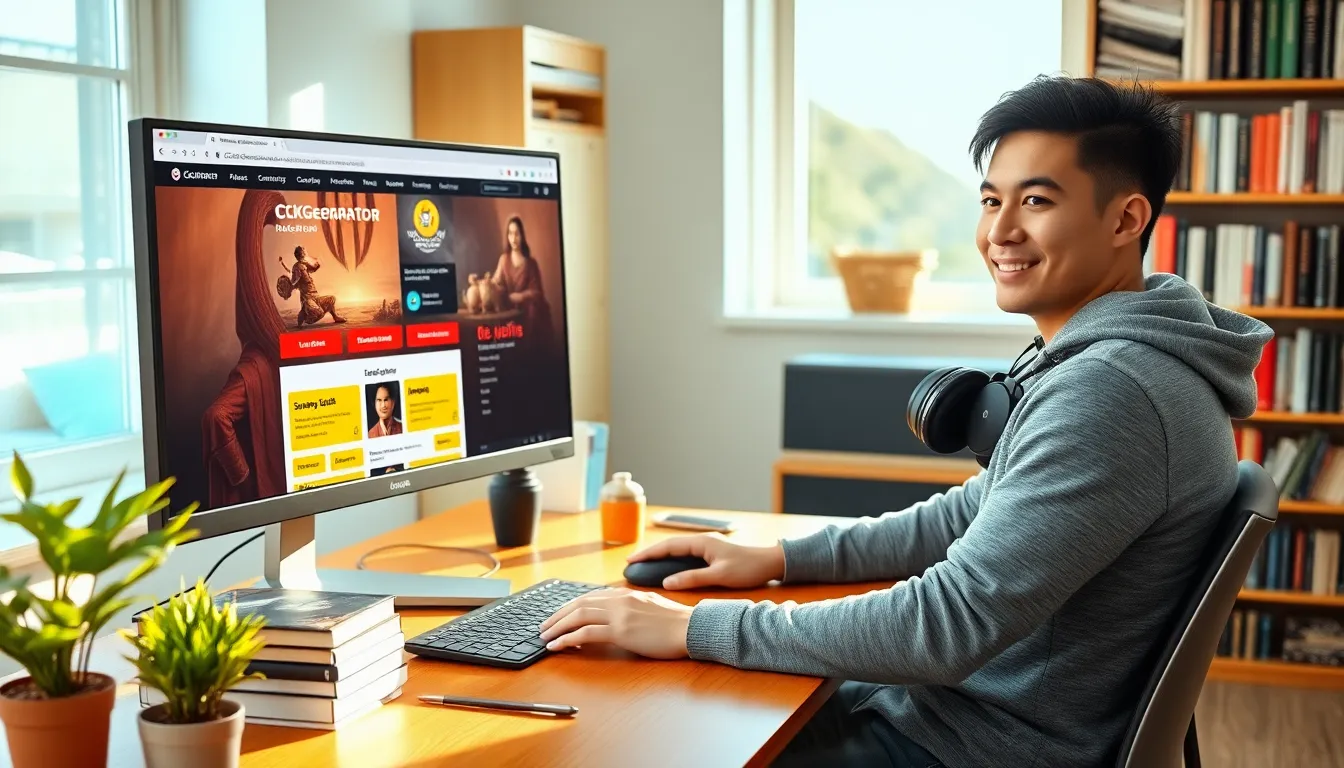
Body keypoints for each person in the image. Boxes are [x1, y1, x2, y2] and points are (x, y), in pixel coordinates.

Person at [537, 76, 1275, 767]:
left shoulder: (1111, 392)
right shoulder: (1121, 361)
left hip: (973, 744)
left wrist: (690, 629)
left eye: (1037, 202)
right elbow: (974, 514)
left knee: (629, 738)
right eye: (991, 201)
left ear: (1126, 218)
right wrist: (781, 560)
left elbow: (949, 623)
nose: (1001, 233)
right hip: (969, 717)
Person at [491, 215, 555, 345]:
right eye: (510, 234)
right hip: (509, 309)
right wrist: (489, 286)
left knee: (533, 314)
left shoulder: (531, 263)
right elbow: (495, 282)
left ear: (522, 236)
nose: (513, 238)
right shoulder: (504, 260)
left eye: (516, 234)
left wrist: (520, 296)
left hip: (527, 312)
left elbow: (537, 292)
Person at [279, 245, 346, 326]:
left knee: (331, 299)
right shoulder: (296, 267)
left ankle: (335, 317)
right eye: (304, 251)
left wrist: (317, 263)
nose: (305, 252)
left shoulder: (304, 264)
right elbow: (293, 280)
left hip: (315, 296)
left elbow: (314, 268)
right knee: (319, 313)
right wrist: (293, 284)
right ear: (301, 253)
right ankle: (305, 315)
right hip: (307, 299)